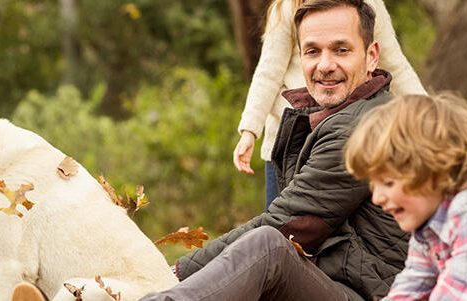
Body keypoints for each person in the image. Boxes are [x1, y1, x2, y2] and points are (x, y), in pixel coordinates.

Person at [141, 0, 410, 299]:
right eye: (312, 51)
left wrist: (171, 273)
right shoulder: (344, 113)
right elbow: (266, 71)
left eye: (341, 50)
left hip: (366, 292)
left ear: (372, 56)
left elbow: (287, 223)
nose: (325, 65)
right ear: (299, 57)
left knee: (267, 247)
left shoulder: (361, 127)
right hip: (337, 279)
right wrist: (250, 128)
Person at [344, 94, 467, 300]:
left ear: (436, 172)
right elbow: (413, 283)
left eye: (388, 183)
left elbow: (456, 292)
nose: (377, 198)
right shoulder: (429, 229)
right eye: (373, 184)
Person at [234, 0, 426, 210]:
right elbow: (268, 73)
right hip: (290, 140)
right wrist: (249, 131)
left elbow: (395, 66)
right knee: (280, 221)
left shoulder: (368, 5)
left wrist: (431, 117)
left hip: (344, 132)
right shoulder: (289, 6)